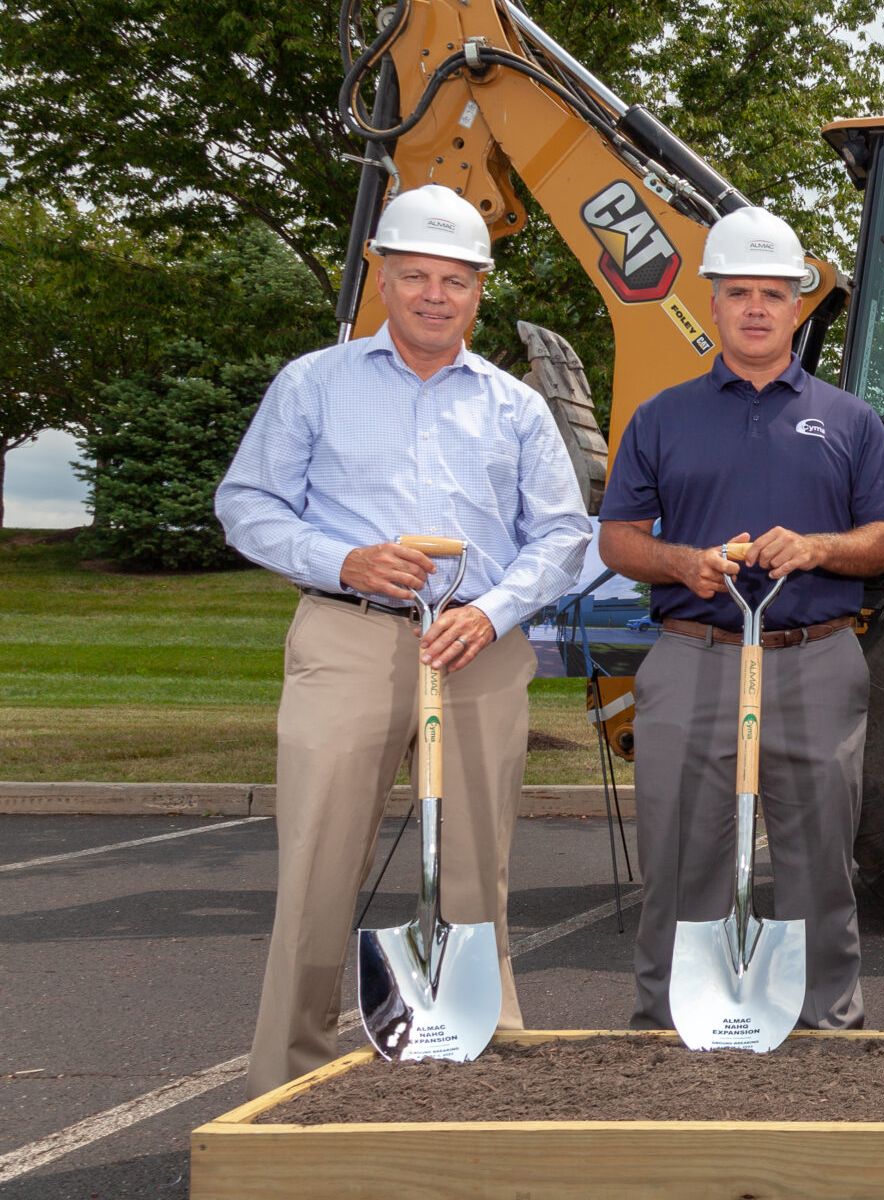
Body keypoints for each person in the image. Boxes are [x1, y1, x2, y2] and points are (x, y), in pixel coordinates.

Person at [217, 183, 591, 1093]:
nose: (435, 295)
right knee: (318, 866)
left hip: (476, 649)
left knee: (473, 876)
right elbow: (246, 504)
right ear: (382, 277)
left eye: (455, 280)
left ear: (480, 291)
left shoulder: (515, 406)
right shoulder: (315, 383)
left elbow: (562, 534)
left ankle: (480, 1071)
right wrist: (343, 559)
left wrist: (493, 611)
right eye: (416, 275)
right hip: (349, 640)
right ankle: (288, 1080)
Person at [597, 206, 884, 1032]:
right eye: (739, 292)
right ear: (714, 303)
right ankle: (670, 1024)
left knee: (820, 862)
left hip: (816, 656)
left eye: (774, 293)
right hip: (693, 653)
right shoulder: (662, 416)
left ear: (798, 305)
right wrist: (684, 563)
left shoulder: (851, 420)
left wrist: (817, 548)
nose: (758, 308)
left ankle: (823, 1023)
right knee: (679, 857)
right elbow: (618, 538)